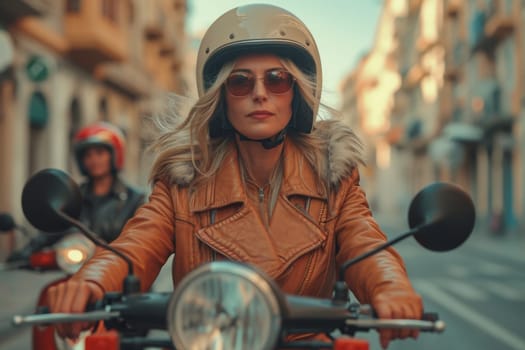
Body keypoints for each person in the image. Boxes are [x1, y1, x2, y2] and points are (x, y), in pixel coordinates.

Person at [48, 4, 422, 349]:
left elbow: (364, 244)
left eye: (277, 79)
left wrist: (391, 288)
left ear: (298, 91)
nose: (260, 93)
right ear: (222, 95)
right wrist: (91, 280)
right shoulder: (185, 179)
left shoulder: (333, 176)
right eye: (241, 82)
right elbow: (136, 245)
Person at [7, 122, 145, 259]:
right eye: (88, 155)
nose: (94, 160)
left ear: (114, 155)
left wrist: (111, 252)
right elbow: (54, 229)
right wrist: (25, 252)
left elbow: (139, 241)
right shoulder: (70, 195)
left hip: (118, 272)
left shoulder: (134, 199)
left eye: (100, 153)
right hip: (77, 269)